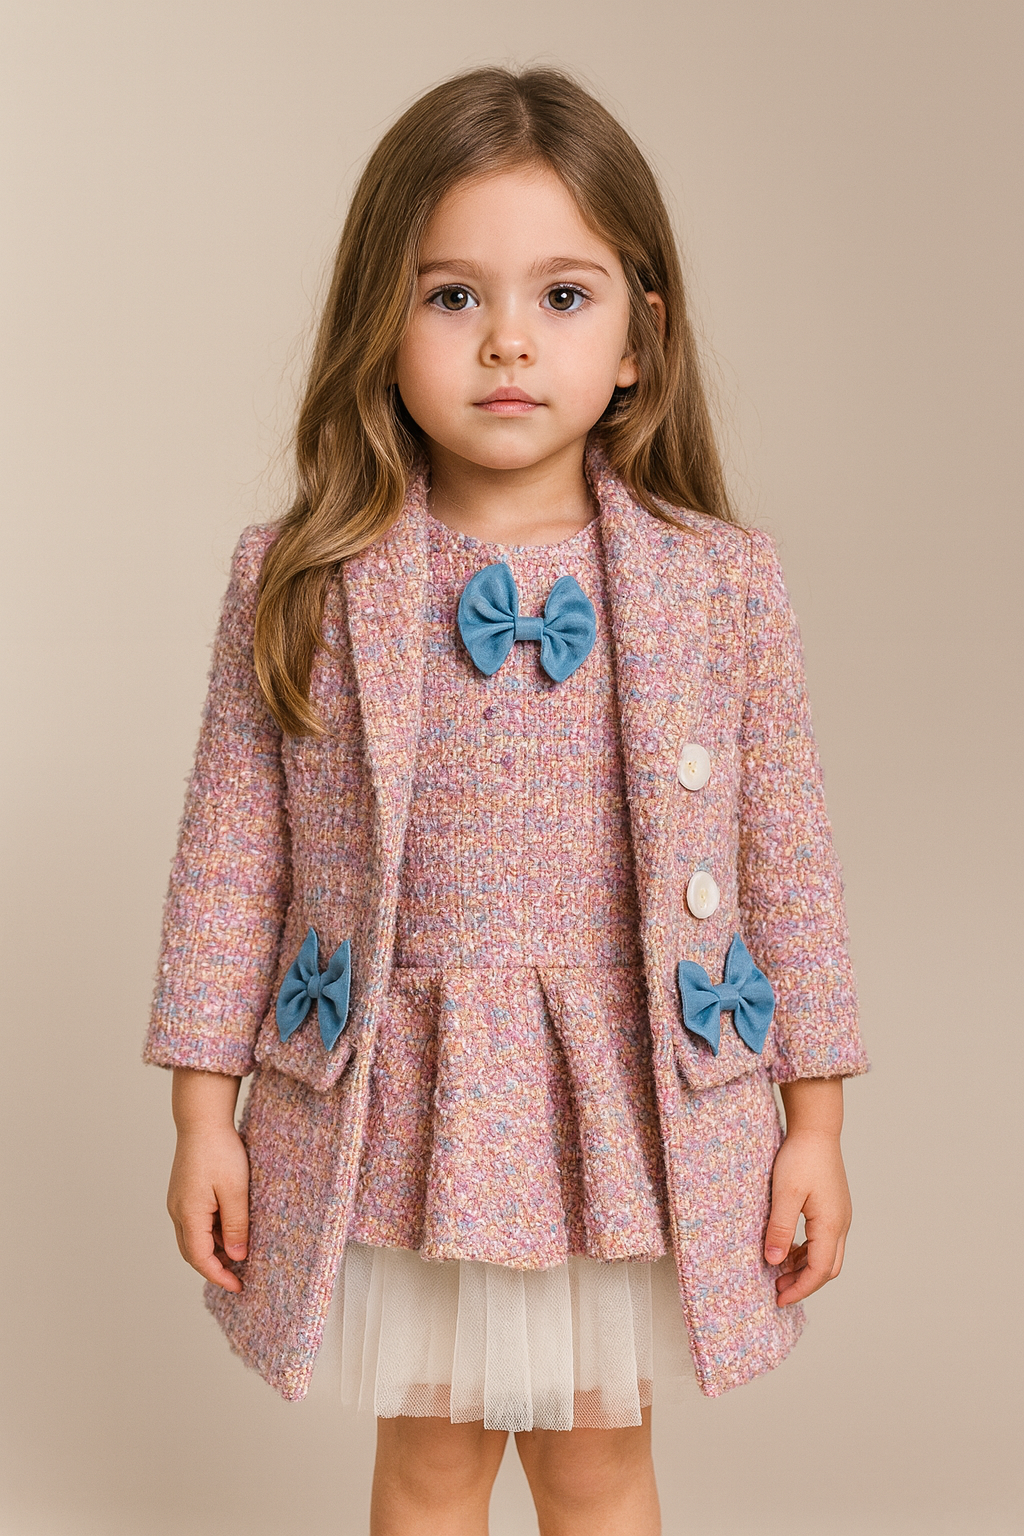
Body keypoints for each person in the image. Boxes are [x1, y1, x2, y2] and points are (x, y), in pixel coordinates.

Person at [145, 65, 869, 1536]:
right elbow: (229, 860)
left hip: (623, 1097)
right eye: (453, 296)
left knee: (601, 1469)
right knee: (427, 1468)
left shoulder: (717, 585)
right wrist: (201, 1117)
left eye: (563, 295)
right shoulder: (304, 580)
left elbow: (787, 860)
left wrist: (817, 1124)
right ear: (381, 322)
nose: (508, 342)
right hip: (406, 1101)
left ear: (639, 338)